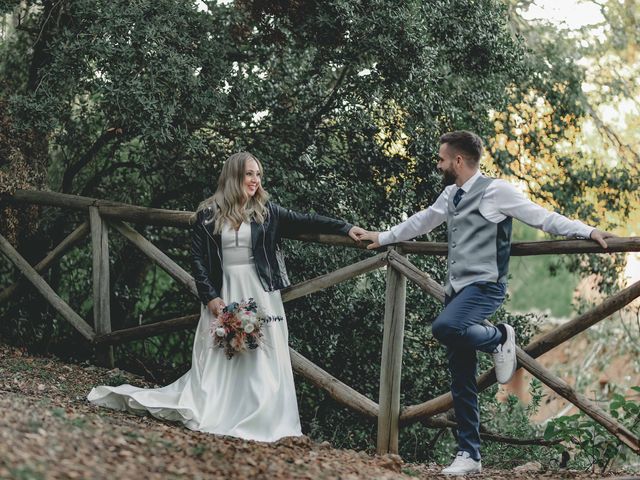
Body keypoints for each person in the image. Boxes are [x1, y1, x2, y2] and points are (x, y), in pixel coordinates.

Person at [356, 131, 616, 475]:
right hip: (456, 291)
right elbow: (422, 221)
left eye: (441, 159)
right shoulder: (451, 194)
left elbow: (542, 216)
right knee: (460, 378)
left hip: (485, 287)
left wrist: (587, 230)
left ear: (458, 161)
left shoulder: (497, 191)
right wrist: (383, 237)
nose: (438, 164)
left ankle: (499, 337)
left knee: (445, 327)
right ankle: (469, 455)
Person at [88, 151, 365, 442]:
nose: (255, 180)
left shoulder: (267, 211)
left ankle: (265, 417)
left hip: (261, 292)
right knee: (222, 353)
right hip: (224, 291)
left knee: (263, 354)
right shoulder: (208, 214)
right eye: (249, 174)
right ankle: (222, 409)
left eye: (258, 174)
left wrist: (346, 228)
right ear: (233, 176)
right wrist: (210, 298)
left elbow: (308, 220)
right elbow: (198, 261)